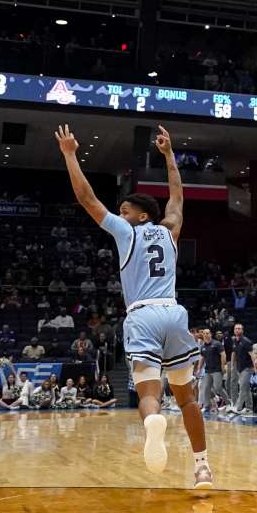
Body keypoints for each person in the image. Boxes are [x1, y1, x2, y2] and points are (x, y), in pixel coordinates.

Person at [55, 124, 211, 489]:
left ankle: (152, 422)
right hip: (174, 315)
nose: (119, 213)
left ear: (142, 216)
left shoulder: (127, 232)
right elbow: (177, 196)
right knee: (188, 400)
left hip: (141, 316)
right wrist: (170, 155)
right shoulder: (171, 229)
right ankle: (202, 467)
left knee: (149, 394)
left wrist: (69, 154)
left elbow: (86, 199)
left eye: (125, 210)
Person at [224, 324, 256, 417]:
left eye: (239, 328)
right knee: (246, 388)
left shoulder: (246, 341)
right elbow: (233, 353)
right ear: (234, 330)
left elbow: (252, 355)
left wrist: (256, 367)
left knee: (242, 387)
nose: (237, 330)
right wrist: (232, 366)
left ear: (242, 330)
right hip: (239, 368)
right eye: (236, 328)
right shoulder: (234, 341)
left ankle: (238, 408)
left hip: (247, 368)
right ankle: (249, 408)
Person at [197, 329, 227, 414]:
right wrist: (199, 368)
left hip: (217, 370)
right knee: (206, 388)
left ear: (210, 334)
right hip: (207, 371)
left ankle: (228, 403)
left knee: (218, 387)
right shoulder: (202, 347)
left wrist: (223, 366)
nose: (206, 335)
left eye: (207, 333)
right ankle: (207, 406)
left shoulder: (217, 344)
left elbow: (223, 355)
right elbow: (202, 358)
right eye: (204, 333)